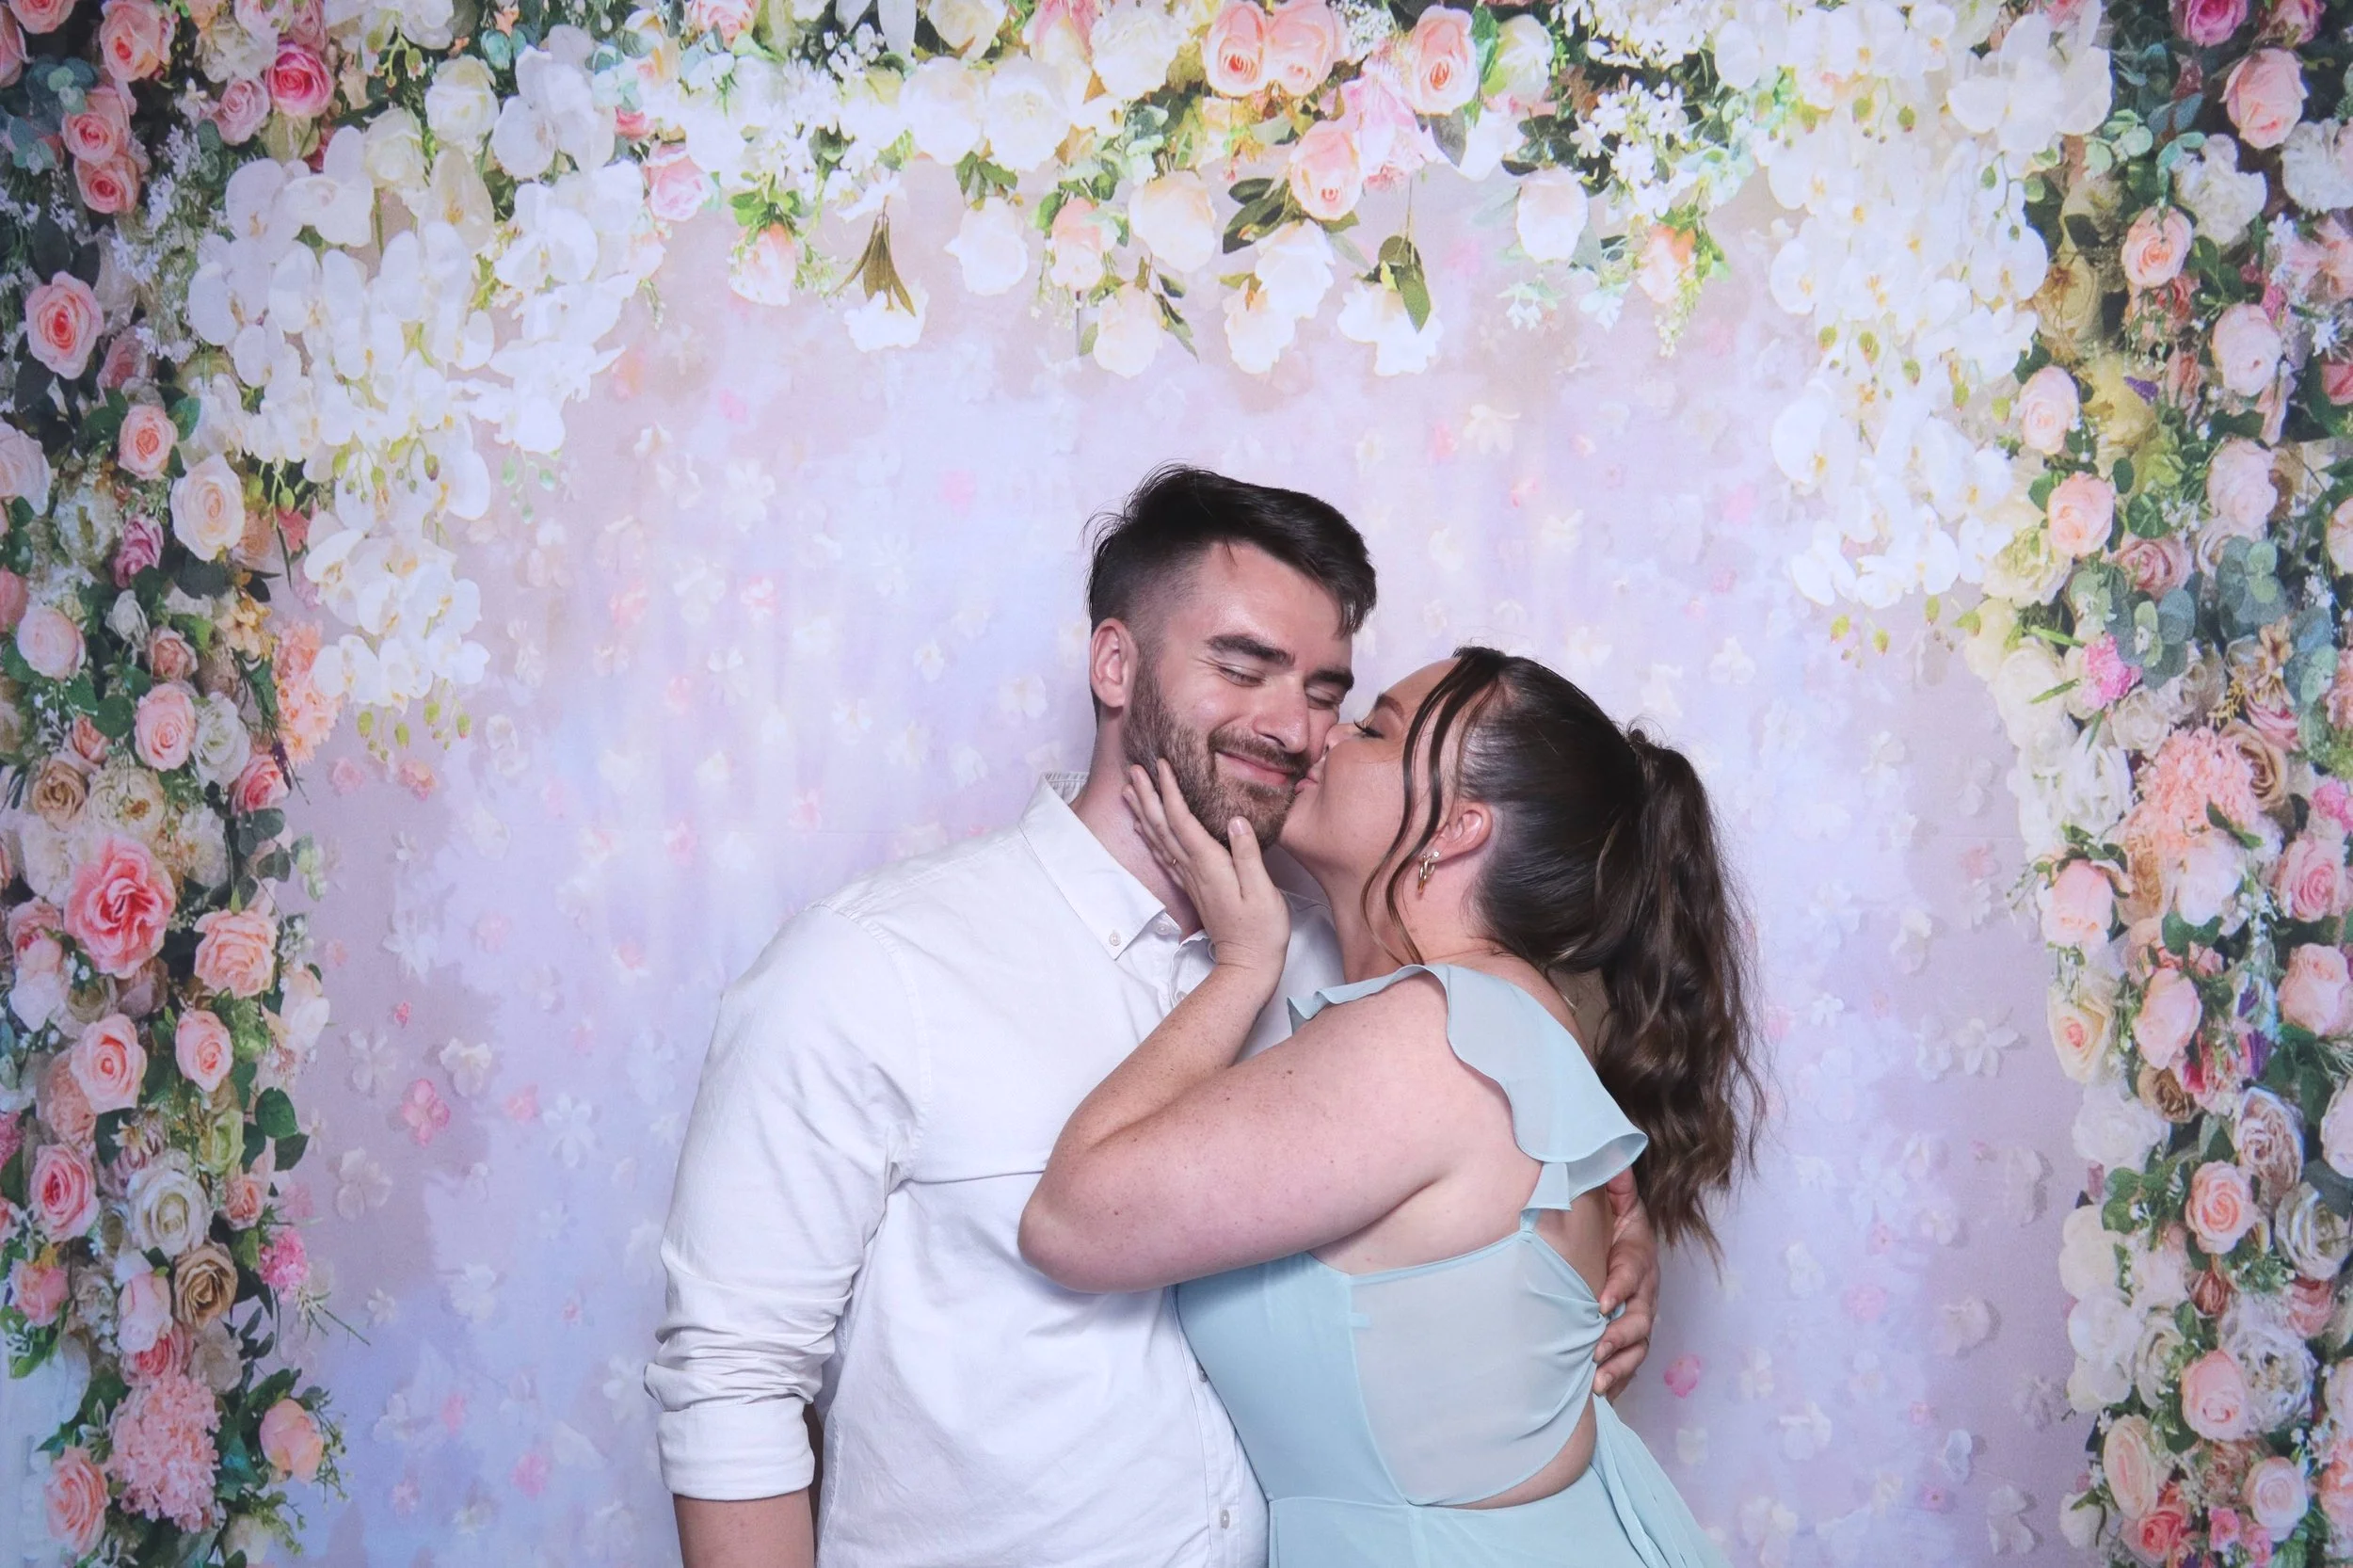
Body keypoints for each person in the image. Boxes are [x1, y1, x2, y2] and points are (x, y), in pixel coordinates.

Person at [648, 468, 1666, 1568]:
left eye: (1331, 692)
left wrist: (1604, 1227)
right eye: (1243, 665)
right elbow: (731, 1377)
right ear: (1115, 663)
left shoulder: (1352, 971)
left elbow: (1488, 1128)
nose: (1297, 728)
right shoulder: (875, 962)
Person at [1020, 648, 1762, 1566]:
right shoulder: (1514, 1018)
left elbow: (1070, 1219)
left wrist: (1244, 966)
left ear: (1455, 828)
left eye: (1376, 728)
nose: (1324, 734)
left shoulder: (1432, 1037)